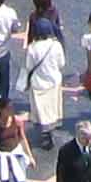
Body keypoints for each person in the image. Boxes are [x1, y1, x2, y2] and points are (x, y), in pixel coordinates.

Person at [23, 17, 68, 151]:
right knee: (52, 108)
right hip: (54, 81)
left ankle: (44, 132)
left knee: (40, 109)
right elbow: (62, 64)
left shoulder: (32, 48)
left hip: (38, 83)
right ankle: (50, 130)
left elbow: (29, 66)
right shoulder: (56, 45)